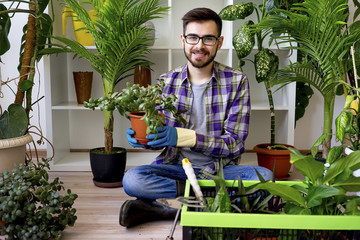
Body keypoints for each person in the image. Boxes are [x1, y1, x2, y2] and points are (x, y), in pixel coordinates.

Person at [119, 7, 273, 228]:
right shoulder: (166, 82)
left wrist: (188, 137)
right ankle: (211, 202)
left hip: (221, 170)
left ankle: (170, 209)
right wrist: (145, 139)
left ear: (219, 43)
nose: (199, 45)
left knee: (264, 177)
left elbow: (235, 144)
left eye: (208, 38)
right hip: (177, 168)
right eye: (193, 37)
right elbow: (164, 136)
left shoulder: (237, 82)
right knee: (132, 180)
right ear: (183, 40)